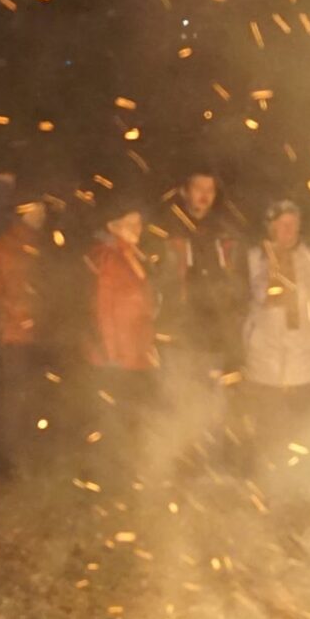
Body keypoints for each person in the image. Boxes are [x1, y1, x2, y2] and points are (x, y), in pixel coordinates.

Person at [242, 198, 310, 456]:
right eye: (282, 225)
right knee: (268, 433)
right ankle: (267, 487)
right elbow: (251, 298)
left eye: (293, 224)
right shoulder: (254, 259)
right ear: (270, 227)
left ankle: (300, 486)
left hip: (305, 365)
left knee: (304, 434)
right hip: (266, 364)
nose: (288, 230)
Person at [86, 203, 160, 468]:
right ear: (112, 225)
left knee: (132, 419)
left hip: (136, 354)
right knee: (114, 421)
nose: (136, 229)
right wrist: (111, 354)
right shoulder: (107, 257)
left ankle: (129, 474)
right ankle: (110, 476)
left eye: (138, 223)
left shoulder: (133, 255)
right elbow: (102, 309)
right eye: (129, 223)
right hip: (116, 357)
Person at [159, 169, 244, 383]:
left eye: (210, 190)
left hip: (216, 336)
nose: (205, 195)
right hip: (178, 335)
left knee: (213, 404)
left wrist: (234, 317)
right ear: (185, 191)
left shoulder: (227, 234)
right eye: (198, 188)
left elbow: (241, 283)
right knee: (177, 403)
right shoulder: (166, 232)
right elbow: (155, 283)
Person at [0, 196, 51, 448]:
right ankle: (9, 448)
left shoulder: (42, 245)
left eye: (43, 213)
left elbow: (48, 288)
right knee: (14, 391)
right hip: (11, 333)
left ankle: (28, 444)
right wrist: (14, 315)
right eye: (37, 212)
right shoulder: (1, 247)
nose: (41, 217)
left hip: (37, 332)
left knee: (33, 391)